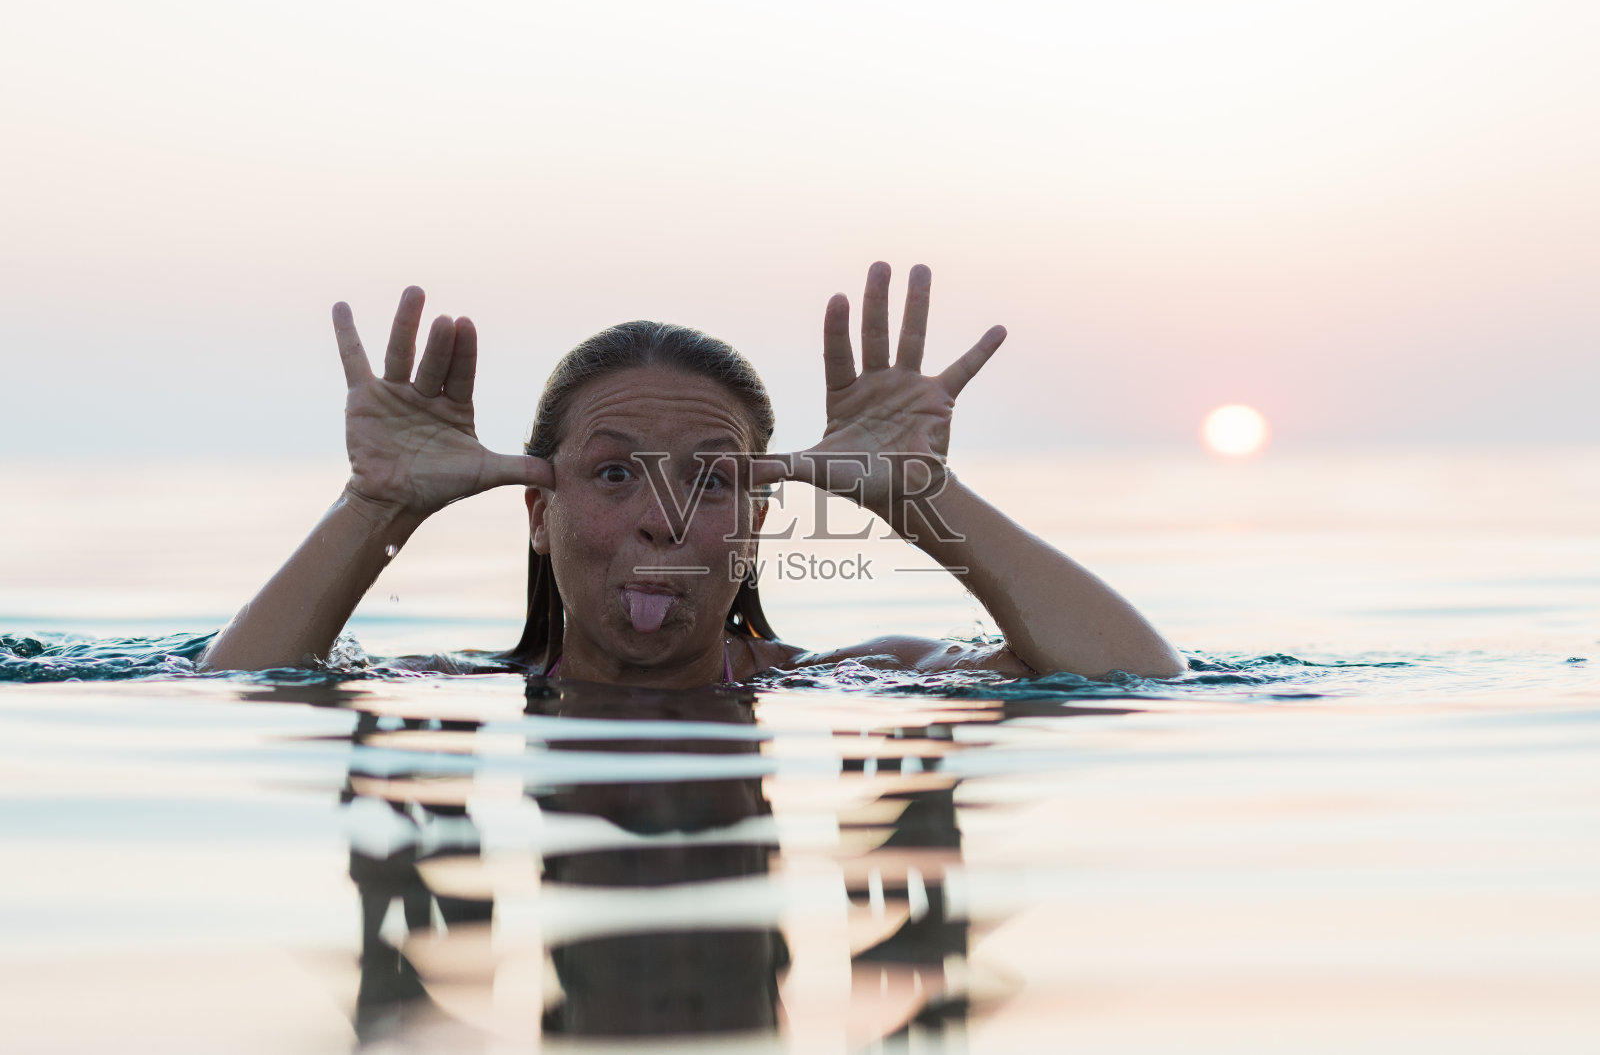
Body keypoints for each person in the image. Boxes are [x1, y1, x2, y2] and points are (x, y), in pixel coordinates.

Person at [200, 263, 1184, 683]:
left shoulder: (856, 678)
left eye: (712, 481)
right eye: (614, 474)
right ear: (538, 512)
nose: (663, 518)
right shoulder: (446, 686)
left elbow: (1135, 680)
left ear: (756, 519)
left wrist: (923, 501)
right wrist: (373, 507)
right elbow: (237, 693)